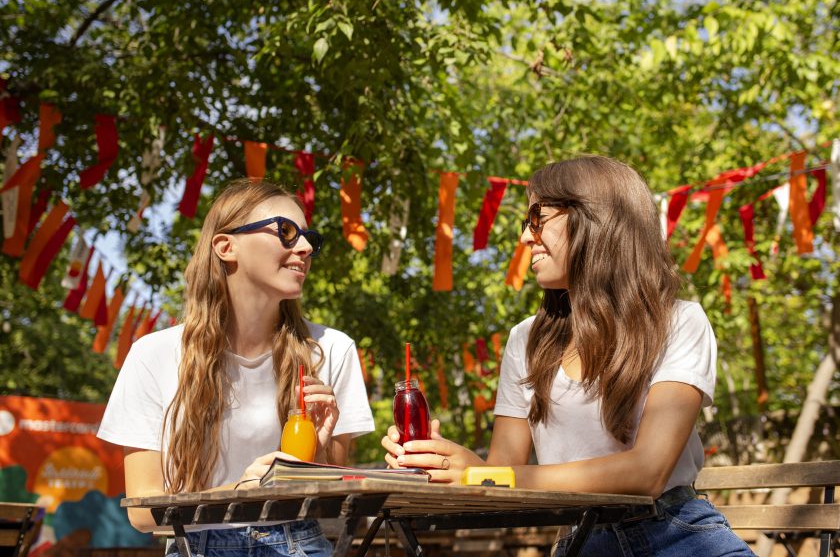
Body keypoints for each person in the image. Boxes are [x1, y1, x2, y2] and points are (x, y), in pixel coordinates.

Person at [382, 156, 754, 556]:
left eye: (536, 218)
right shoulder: (525, 339)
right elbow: (504, 467)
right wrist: (448, 463)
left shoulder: (679, 321)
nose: (525, 237)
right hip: (582, 541)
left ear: (594, 220)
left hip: (679, 535)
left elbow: (648, 471)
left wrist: (484, 475)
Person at [98, 179, 375, 557]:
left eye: (308, 237)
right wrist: (239, 495)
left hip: (301, 543)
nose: (307, 247)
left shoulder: (331, 349)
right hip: (194, 545)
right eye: (287, 232)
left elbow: (334, 504)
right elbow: (144, 512)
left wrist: (319, 457)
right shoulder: (153, 355)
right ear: (227, 247)